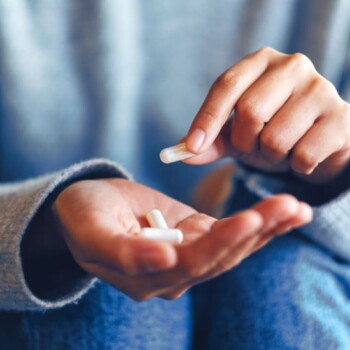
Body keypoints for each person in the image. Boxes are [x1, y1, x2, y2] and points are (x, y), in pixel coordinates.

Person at [0, 1, 349, 349]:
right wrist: (43, 225)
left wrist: (334, 171)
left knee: (281, 281)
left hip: (286, 249)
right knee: (105, 299)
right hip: (47, 259)